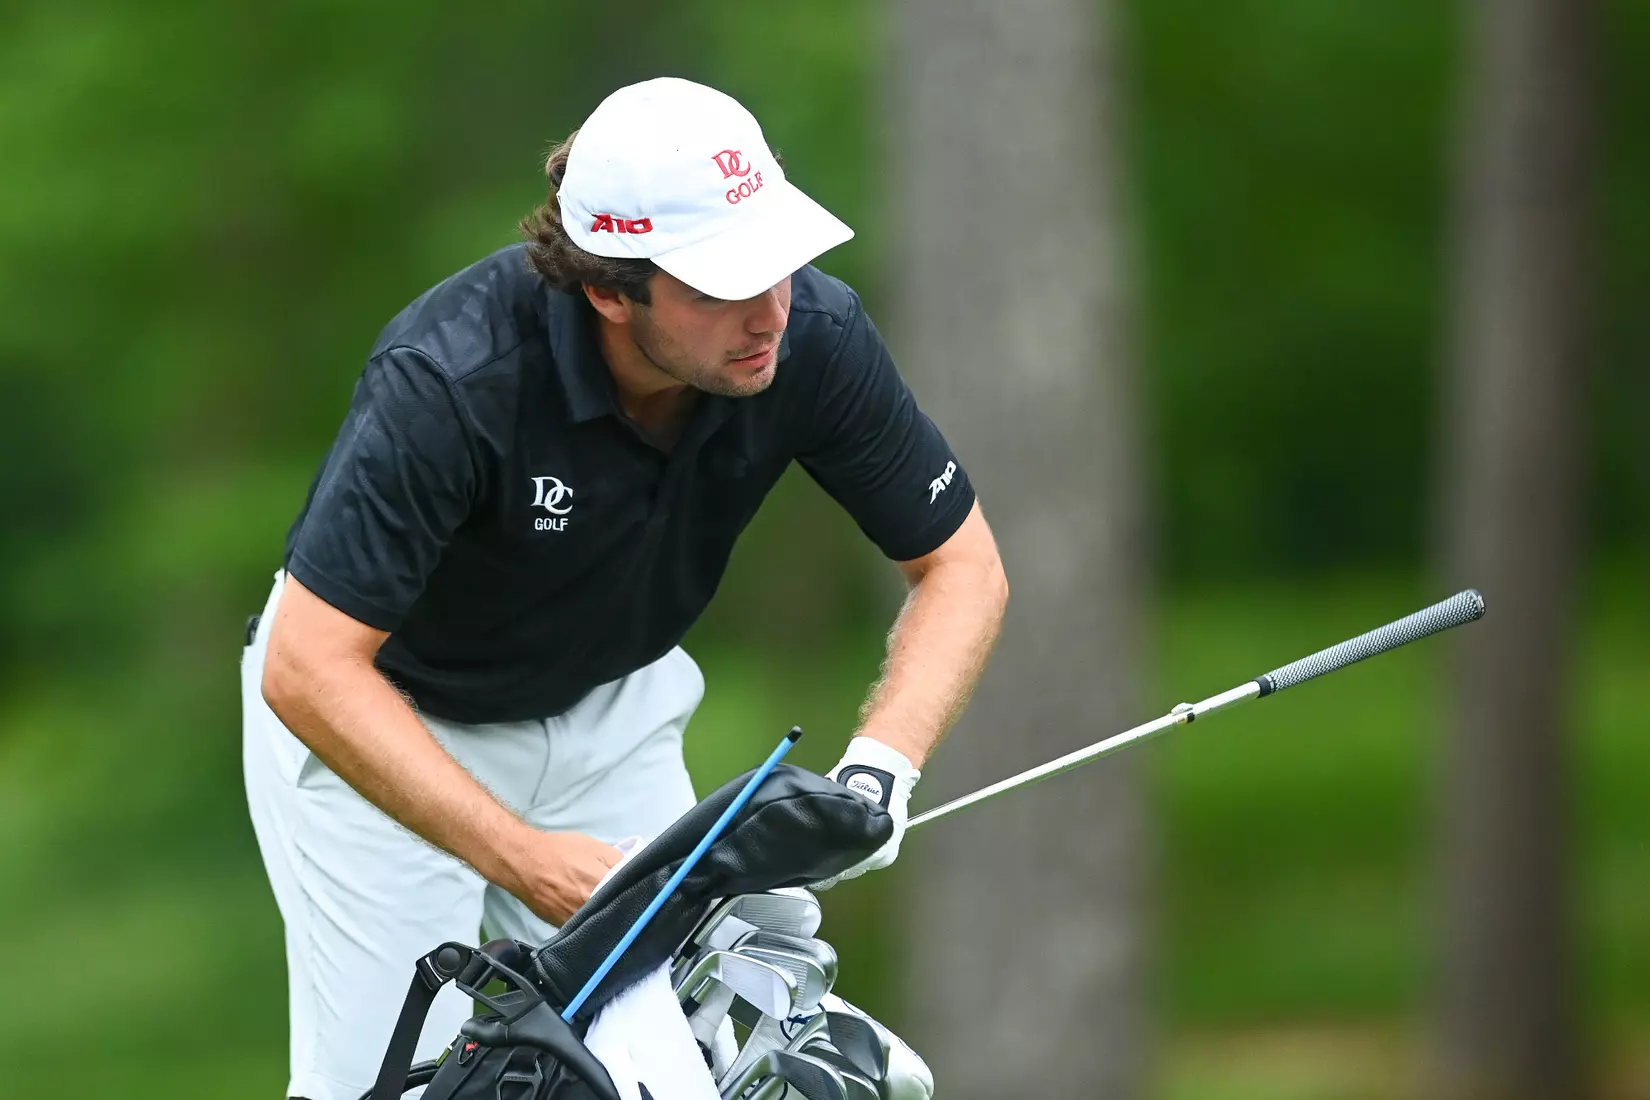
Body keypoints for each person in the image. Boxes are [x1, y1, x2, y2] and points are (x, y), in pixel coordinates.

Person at [241, 76, 1007, 1100]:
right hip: (383, 726)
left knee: (664, 1084)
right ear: (608, 287)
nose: (767, 311)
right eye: (719, 286)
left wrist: (881, 768)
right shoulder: (453, 376)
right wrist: (523, 858)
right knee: (390, 1086)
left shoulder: (809, 337)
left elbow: (962, 565)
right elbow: (307, 665)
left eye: (775, 264)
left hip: (610, 710)